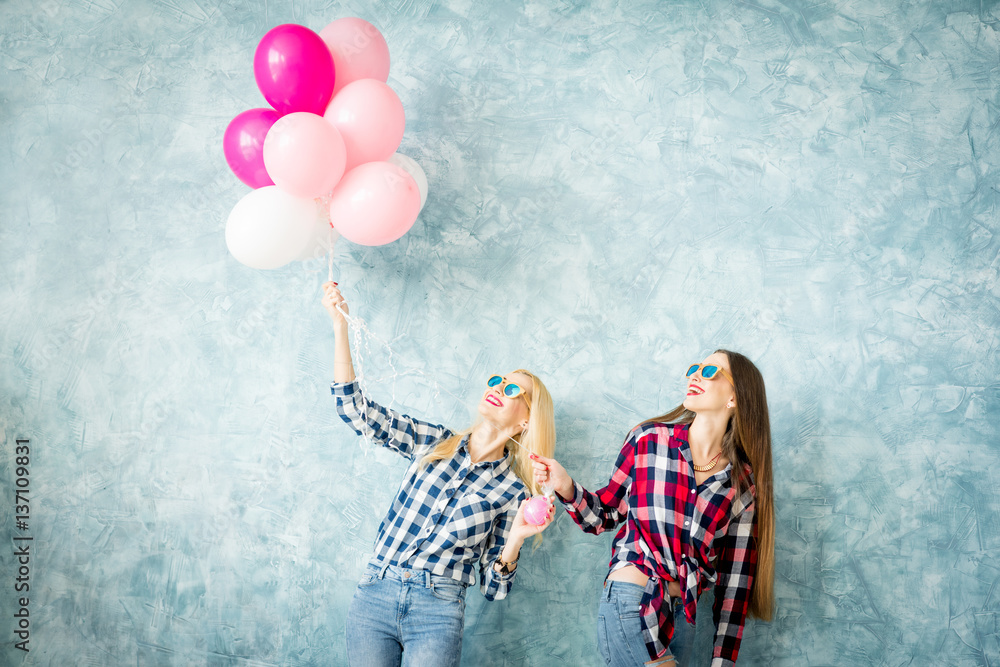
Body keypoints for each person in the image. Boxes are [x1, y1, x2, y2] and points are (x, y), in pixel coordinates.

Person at [322, 281, 556, 667]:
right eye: (497, 380)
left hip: (438, 609)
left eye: (513, 388)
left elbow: (494, 589)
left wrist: (515, 538)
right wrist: (339, 327)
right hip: (376, 591)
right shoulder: (433, 441)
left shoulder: (514, 491)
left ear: (526, 420)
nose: (498, 386)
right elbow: (354, 410)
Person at [531, 350, 774, 667]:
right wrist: (565, 486)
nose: (695, 375)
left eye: (711, 371)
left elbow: (735, 587)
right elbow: (604, 514)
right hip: (634, 598)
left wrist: (722, 662)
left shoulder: (742, 486)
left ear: (735, 397)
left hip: (683, 619)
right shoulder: (648, 439)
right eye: (695, 369)